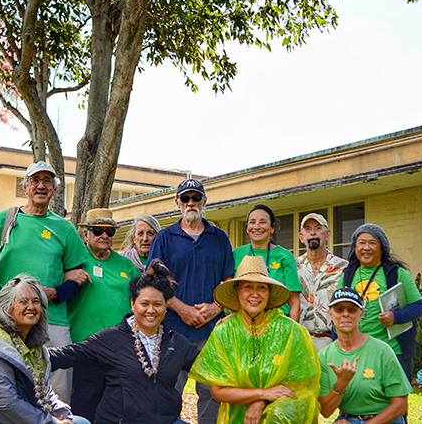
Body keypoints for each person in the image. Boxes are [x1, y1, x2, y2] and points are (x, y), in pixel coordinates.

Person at [49, 260, 200, 424]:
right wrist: (23, 349)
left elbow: (210, 367)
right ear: (132, 304)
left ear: (166, 306)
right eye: (144, 303)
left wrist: (224, 331)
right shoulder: (111, 338)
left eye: (157, 304)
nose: (151, 310)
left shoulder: (176, 343)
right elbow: (66, 355)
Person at [0, 161, 89, 402]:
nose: (41, 186)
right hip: (6, 320)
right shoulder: (5, 220)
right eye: (35, 180)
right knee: (6, 388)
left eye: (47, 181)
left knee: (58, 388)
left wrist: (53, 292)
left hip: (52, 320)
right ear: (25, 187)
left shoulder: (64, 228)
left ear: (55, 190)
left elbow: (78, 278)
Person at [190, 256, 320, 424]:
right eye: (248, 287)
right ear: (237, 292)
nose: (255, 294)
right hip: (237, 418)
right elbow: (218, 391)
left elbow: (300, 385)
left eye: (261, 287)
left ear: (269, 292)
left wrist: (262, 403)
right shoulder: (224, 331)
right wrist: (263, 394)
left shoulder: (288, 329)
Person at [147, 178, 235, 424]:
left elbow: (228, 280)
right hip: (173, 330)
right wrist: (182, 308)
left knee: (211, 393)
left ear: (204, 201)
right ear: (177, 203)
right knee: (168, 393)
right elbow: (154, 281)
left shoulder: (220, 237)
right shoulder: (164, 238)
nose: (191, 202)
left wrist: (216, 307)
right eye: (185, 198)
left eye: (196, 198)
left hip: (211, 332)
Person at [0, 274, 90, 424]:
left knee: (80, 422)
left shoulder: (33, 346)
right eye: (23, 301)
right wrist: (52, 422)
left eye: (36, 301)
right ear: (6, 308)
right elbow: (6, 405)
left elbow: (45, 394)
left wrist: (64, 416)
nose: (31, 307)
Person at [66, 208, 141, 420]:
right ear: (85, 234)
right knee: (84, 404)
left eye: (110, 232)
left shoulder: (125, 263)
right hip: (86, 346)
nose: (104, 236)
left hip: (120, 348)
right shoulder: (74, 259)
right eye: (98, 230)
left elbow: (140, 296)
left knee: (116, 407)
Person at [339, 224, 422, 381]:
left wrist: (396, 317)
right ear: (355, 247)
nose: (366, 248)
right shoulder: (347, 276)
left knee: (394, 399)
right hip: (357, 350)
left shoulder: (397, 273)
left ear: (382, 248)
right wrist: (338, 346)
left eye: (372, 243)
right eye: (362, 242)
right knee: (357, 398)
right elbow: (336, 313)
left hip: (393, 350)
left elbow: (419, 307)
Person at [319, 287, 412, 424]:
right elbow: (326, 411)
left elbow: (400, 405)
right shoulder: (324, 356)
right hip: (347, 419)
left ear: (361, 314)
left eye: (352, 309)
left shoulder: (381, 350)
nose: (345, 314)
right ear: (330, 314)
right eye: (339, 309)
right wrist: (342, 382)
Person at [232, 204, 301, 320]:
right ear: (247, 227)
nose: (257, 227)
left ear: (272, 228)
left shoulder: (284, 256)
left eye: (262, 222)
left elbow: (294, 301)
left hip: (278, 323)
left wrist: (293, 332)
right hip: (243, 322)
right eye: (252, 222)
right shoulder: (236, 254)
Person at [296, 212, 348, 350]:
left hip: (332, 341)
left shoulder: (343, 268)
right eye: (307, 229)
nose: (313, 233)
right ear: (301, 237)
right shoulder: (293, 268)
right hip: (300, 341)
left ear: (328, 234)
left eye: (318, 228)